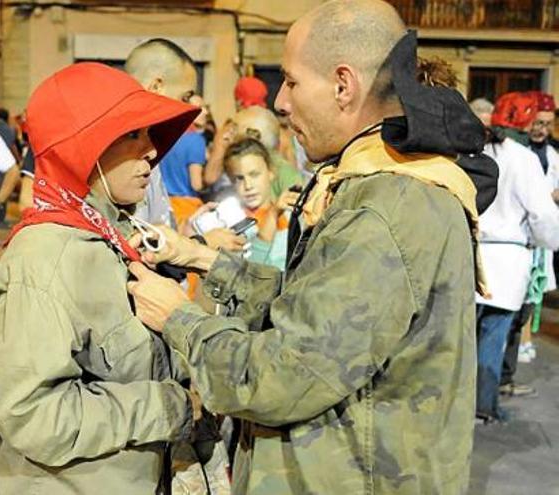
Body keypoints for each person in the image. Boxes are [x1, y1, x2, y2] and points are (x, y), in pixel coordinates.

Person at [126, 1, 488, 492]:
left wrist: (179, 320)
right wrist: (205, 260)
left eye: (292, 81)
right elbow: (317, 306)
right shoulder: (377, 184)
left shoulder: (385, 209)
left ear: (344, 85)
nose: (280, 101)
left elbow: (283, 375)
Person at [0, 62, 200, 494]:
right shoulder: (47, 257)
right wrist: (169, 407)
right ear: (85, 148)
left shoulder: (109, 233)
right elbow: (30, 414)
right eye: (133, 135)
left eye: (149, 134)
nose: (152, 151)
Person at [467, 97, 559, 422]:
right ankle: (483, 406)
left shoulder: (478, 150)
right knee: (493, 334)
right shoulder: (524, 160)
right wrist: (550, 241)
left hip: (474, 251)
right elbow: (543, 214)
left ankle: (457, 405)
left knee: (465, 336)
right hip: (507, 257)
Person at [125, 38, 198, 228]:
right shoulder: (118, 151)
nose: (189, 108)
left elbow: (159, 226)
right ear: (156, 87)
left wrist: (189, 232)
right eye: (185, 97)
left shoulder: (150, 146)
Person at [223, 138, 290, 269]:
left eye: (254, 175)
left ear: (271, 172)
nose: (248, 186)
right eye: (239, 178)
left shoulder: (290, 215)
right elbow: (250, 272)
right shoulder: (228, 225)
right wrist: (273, 215)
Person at [159, 95, 207, 227]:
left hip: (164, 204)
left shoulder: (164, 136)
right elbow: (196, 184)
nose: (206, 112)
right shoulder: (196, 140)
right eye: (200, 108)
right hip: (187, 207)